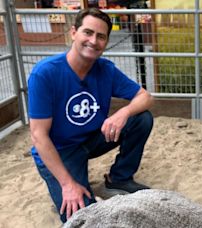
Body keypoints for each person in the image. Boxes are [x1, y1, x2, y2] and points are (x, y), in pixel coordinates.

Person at [28, 8, 154, 223]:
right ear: (73, 32)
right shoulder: (45, 73)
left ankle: (119, 178)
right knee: (82, 215)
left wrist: (123, 112)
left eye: (101, 36)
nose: (93, 41)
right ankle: (68, 181)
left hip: (92, 138)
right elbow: (38, 136)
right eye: (88, 32)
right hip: (61, 151)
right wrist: (68, 185)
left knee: (141, 118)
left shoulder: (106, 69)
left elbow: (145, 97)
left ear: (106, 41)